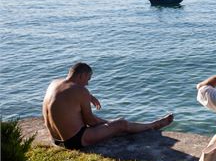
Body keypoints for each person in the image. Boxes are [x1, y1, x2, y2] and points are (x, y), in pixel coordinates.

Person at [42, 62, 173, 150]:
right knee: (121, 124)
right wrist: (110, 124)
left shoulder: (54, 83)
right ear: (82, 75)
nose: (88, 83)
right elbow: (91, 121)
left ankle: (122, 127)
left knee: (111, 126)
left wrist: (89, 96)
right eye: (88, 79)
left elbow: (69, 94)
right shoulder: (81, 91)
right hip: (74, 141)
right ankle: (153, 125)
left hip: (56, 139)